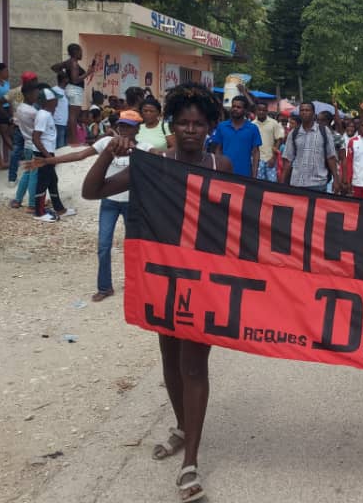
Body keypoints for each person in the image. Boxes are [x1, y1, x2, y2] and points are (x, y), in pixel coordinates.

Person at [82, 83, 230, 502]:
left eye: (198, 123)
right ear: (171, 125)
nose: (190, 130)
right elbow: (93, 192)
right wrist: (110, 151)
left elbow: (247, 221)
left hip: (205, 280)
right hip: (162, 277)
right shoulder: (154, 164)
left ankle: (191, 462)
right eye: (182, 122)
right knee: (168, 355)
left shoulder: (223, 165)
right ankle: (183, 427)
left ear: (210, 128)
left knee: (194, 363)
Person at [32, 109, 151, 301]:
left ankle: (135, 284)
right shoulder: (107, 143)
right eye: (120, 125)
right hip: (110, 202)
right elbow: (80, 155)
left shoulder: (145, 148)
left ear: (137, 129)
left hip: (132, 204)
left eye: (128, 127)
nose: (122, 129)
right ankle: (104, 288)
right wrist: (49, 160)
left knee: (134, 248)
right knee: (103, 246)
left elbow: (164, 158)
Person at [283, 102, 341, 192]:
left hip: (318, 183)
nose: (304, 112)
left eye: (307, 110)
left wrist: (336, 179)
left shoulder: (324, 131)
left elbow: (331, 157)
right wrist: (281, 182)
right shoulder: (293, 133)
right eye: (302, 110)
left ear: (314, 114)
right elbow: (288, 160)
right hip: (297, 183)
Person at [32, 88, 70, 222]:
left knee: (52, 180)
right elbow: (35, 138)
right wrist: (48, 156)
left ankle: (59, 208)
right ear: (49, 101)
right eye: (55, 99)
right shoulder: (43, 115)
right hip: (43, 153)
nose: (57, 102)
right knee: (43, 182)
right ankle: (39, 212)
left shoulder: (46, 114)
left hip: (47, 152)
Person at [9, 82, 41, 211]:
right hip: (35, 145)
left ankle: (17, 200)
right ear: (28, 94)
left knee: (27, 173)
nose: (37, 96)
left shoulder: (20, 108)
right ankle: (32, 204)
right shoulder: (34, 112)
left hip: (27, 143)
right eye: (35, 93)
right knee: (34, 174)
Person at [211, 95, 260, 178]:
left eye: (238, 107)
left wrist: (255, 175)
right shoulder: (222, 126)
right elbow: (218, 149)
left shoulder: (253, 128)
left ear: (245, 110)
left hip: (245, 174)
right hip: (224, 173)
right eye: (233, 106)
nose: (235, 109)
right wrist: (217, 169)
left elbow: (256, 152)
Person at [51, 43, 86, 146]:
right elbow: (75, 80)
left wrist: (65, 75)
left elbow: (54, 67)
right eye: (80, 51)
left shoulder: (68, 62)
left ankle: (72, 139)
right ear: (75, 52)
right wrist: (88, 72)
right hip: (75, 90)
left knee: (72, 116)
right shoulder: (74, 63)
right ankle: (74, 140)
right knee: (73, 116)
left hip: (70, 89)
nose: (81, 54)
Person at [251, 103, 283, 182]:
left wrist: (274, 157)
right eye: (259, 110)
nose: (261, 112)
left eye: (264, 110)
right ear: (256, 111)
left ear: (267, 111)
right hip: (257, 160)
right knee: (257, 184)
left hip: (270, 159)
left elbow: (279, 139)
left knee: (272, 185)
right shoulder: (252, 125)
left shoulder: (274, 123)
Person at [52, 72, 70, 148]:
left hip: (64, 123)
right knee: (59, 147)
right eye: (67, 78)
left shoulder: (65, 91)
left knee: (63, 147)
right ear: (64, 79)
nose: (69, 80)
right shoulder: (54, 90)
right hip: (57, 122)